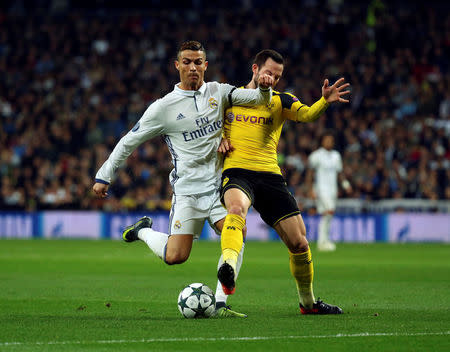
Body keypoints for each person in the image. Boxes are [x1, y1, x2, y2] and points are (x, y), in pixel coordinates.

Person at [92, 41, 274, 317]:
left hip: (218, 187)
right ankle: (142, 230)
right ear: (177, 66)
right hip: (187, 192)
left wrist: (263, 86)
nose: (192, 67)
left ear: (205, 66)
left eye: (198, 62)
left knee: (237, 229)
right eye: (187, 62)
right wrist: (104, 175)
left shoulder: (220, 92)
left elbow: (259, 100)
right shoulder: (163, 108)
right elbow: (129, 141)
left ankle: (221, 304)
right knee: (176, 256)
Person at [216, 49, 350, 314]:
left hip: (270, 176)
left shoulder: (281, 101)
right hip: (237, 171)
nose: (273, 79)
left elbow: (308, 114)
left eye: (278, 76)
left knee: (299, 243)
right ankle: (228, 267)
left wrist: (323, 101)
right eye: (269, 73)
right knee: (235, 209)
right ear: (254, 69)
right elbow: (209, 125)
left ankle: (308, 303)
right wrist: (218, 138)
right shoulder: (228, 97)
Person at [306, 132, 352, 251]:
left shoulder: (336, 156)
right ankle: (323, 241)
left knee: (327, 214)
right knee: (329, 210)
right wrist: (310, 189)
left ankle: (323, 241)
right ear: (322, 141)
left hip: (332, 189)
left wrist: (345, 184)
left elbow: (339, 172)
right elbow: (310, 173)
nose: (328, 142)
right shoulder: (316, 155)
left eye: (330, 140)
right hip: (321, 189)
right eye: (326, 140)